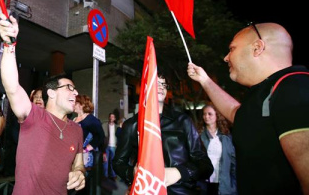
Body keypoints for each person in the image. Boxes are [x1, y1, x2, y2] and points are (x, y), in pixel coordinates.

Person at [187, 22, 309, 194]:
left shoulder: (295, 89)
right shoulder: (266, 93)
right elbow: (236, 113)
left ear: (257, 48)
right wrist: (205, 81)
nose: (226, 57)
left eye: (232, 49)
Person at [0, 14, 85, 194]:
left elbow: (79, 164)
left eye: (75, 89)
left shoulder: (77, 130)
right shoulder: (34, 116)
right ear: (52, 93)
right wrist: (9, 45)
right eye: (69, 87)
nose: (75, 92)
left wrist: (79, 172)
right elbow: (12, 87)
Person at [113, 74, 213, 195]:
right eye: (156, 83)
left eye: (163, 84)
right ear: (145, 88)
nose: (160, 87)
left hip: (181, 191)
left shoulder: (183, 121)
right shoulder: (132, 124)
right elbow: (118, 163)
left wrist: (179, 172)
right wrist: (132, 173)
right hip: (147, 190)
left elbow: (205, 165)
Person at [198, 105, 237, 195]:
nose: (206, 116)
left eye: (210, 114)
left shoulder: (226, 137)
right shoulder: (198, 136)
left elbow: (233, 162)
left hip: (223, 183)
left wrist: (234, 184)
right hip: (205, 184)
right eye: (204, 114)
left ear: (217, 116)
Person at [73, 94, 105, 195]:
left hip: (85, 159)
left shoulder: (91, 120)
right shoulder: (74, 119)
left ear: (82, 105)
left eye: (76, 102)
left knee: (82, 186)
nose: (73, 104)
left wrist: (86, 149)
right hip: (74, 158)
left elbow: (100, 137)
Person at [103, 112, 118, 180]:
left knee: (112, 162)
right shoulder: (105, 125)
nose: (111, 118)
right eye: (110, 116)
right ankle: (105, 176)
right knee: (106, 162)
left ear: (114, 118)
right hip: (107, 146)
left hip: (113, 146)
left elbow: (119, 136)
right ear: (109, 117)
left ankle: (113, 175)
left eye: (113, 117)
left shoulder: (117, 127)